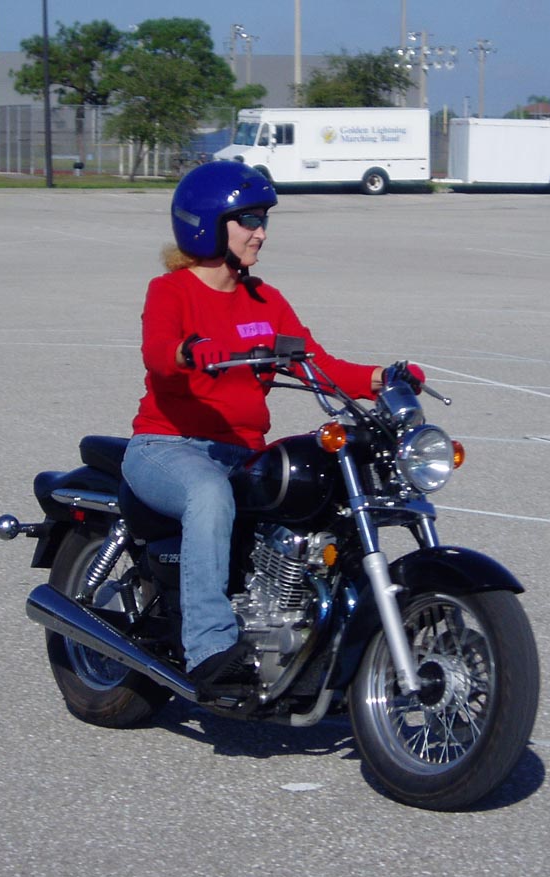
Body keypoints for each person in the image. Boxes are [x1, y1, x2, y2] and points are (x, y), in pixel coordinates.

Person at [121, 160, 422, 695]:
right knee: (208, 494)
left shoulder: (265, 300)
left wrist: (383, 378)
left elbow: (318, 365)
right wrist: (191, 350)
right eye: (249, 220)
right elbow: (159, 354)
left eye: (263, 220)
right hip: (167, 446)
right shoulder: (171, 291)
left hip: (242, 452)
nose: (260, 232)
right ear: (208, 224)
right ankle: (209, 649)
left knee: (318, 492)